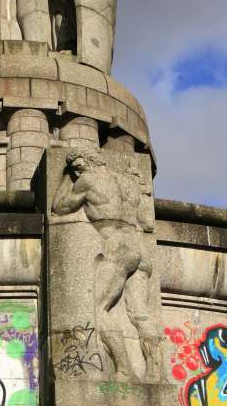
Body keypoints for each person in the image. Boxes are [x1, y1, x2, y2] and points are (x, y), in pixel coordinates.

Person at [52, 145, 158, 379]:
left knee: (100, 311)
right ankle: (155, 372)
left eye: (78, 166)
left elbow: (59, 207)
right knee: (141, 314)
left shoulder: (87, 180)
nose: (77, 172)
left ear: (86, 162)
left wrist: (65, 177)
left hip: (116, 243)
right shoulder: (128, 183)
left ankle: (123, 370)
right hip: (139, 247)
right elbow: (148, 223)